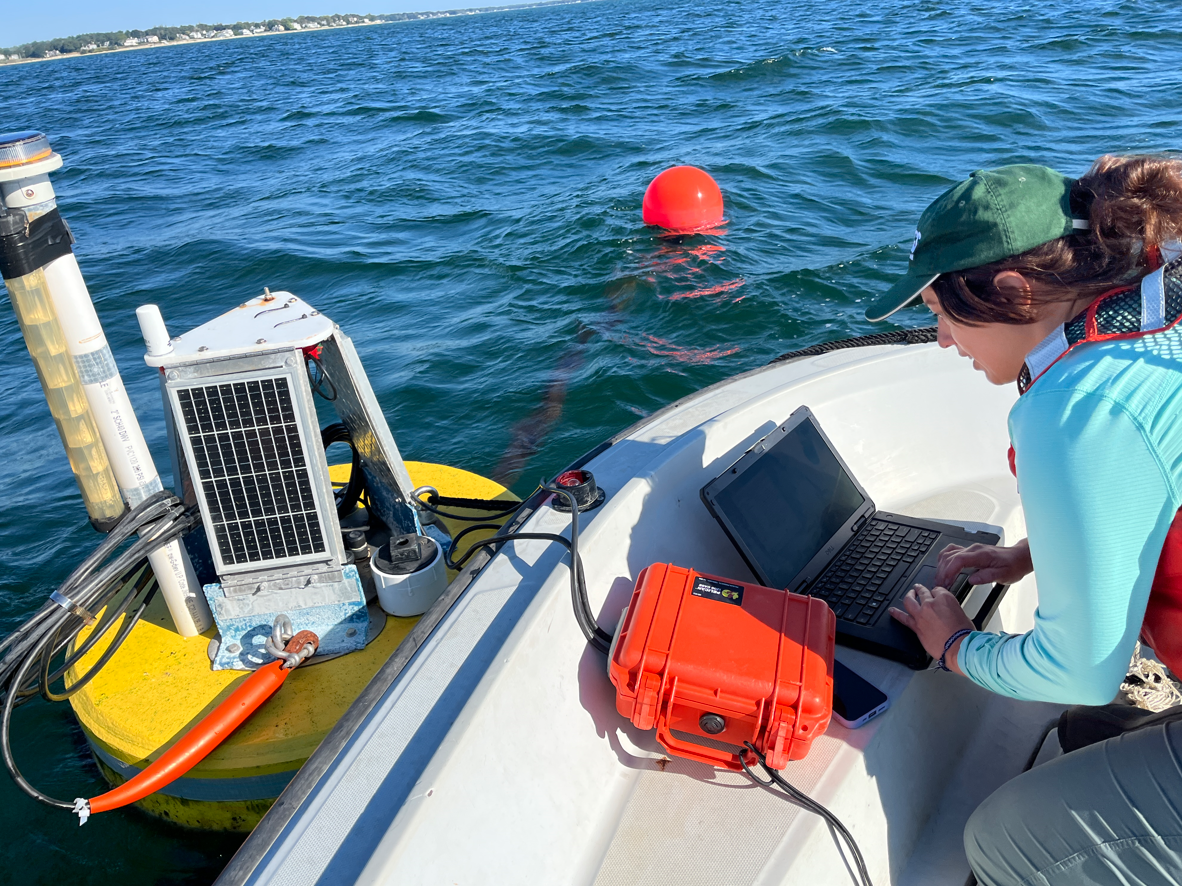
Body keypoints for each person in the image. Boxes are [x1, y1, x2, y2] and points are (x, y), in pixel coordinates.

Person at [865, 156, 1182, 886]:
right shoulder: (1153, 314)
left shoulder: (1077, 406)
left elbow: (1080, 671)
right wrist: (1032, 555)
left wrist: (954, 648)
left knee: (1004, 840)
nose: (943, 339)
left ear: (1012, 290)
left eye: (942, 312)